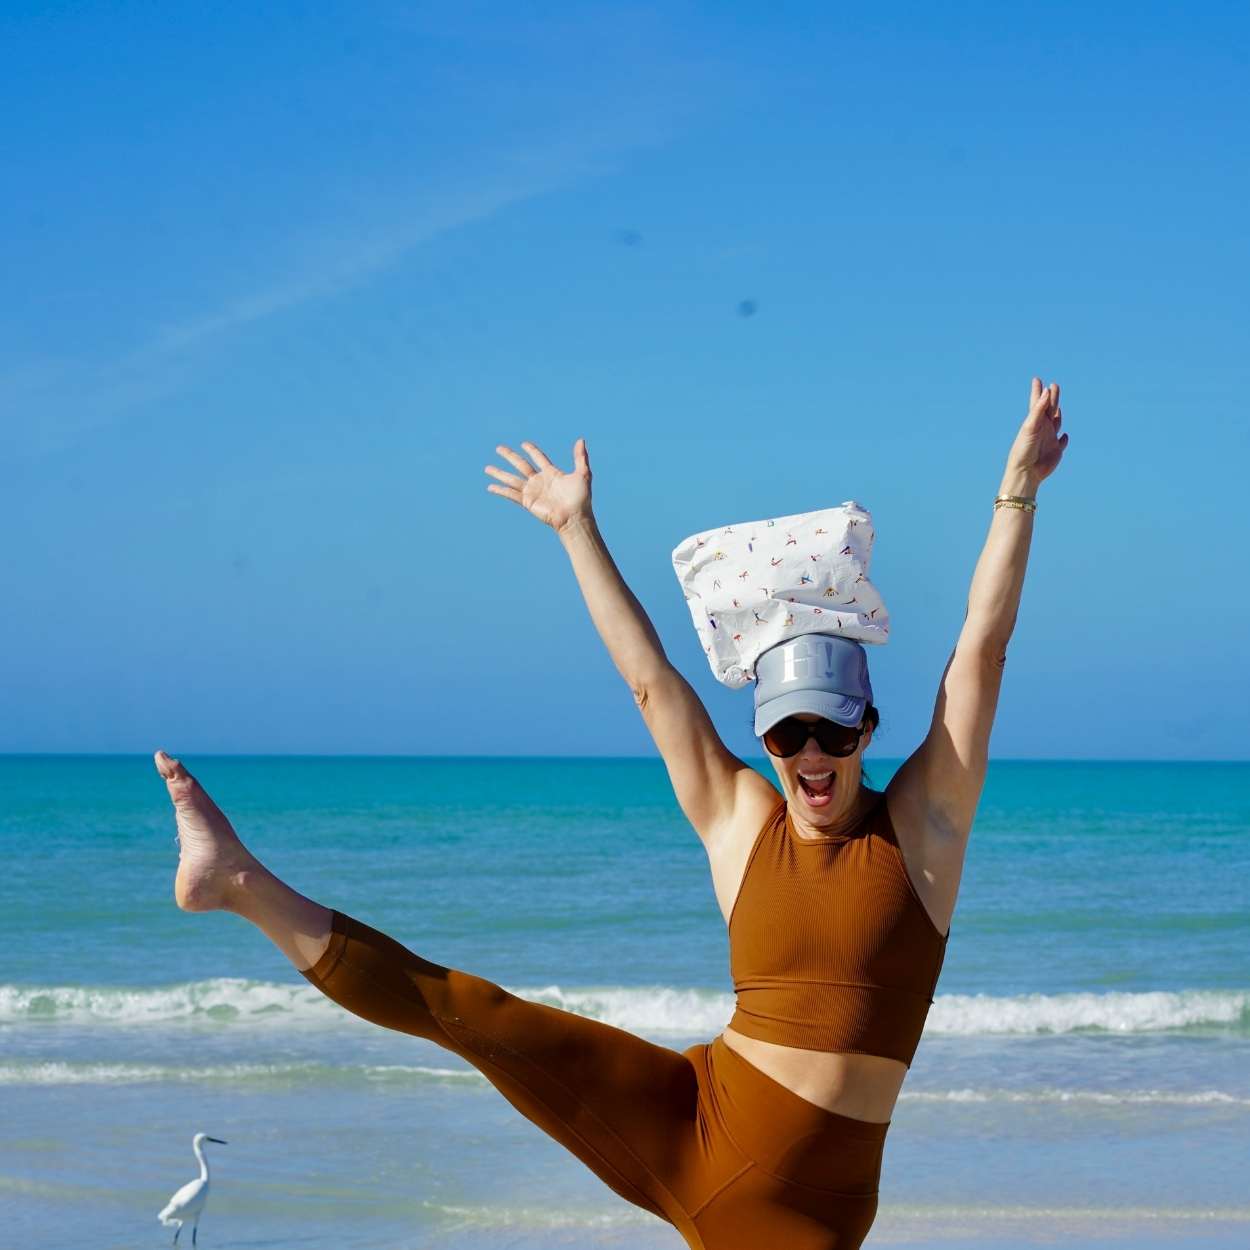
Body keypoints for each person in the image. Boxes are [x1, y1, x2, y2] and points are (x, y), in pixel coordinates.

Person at [155, 378, 1067, 1250]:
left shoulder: (920, 831)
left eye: (831, 730)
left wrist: (1017, 493)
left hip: (802, 1225)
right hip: (687, 1117)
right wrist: (575, 528)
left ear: (867, 727)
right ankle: (236, 882)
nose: (811, 755)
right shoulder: (743, 822)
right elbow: (650, 685)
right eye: (787, 735)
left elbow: (980, 653)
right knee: (473, 1013)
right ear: (764, 741)